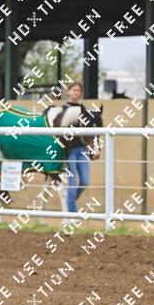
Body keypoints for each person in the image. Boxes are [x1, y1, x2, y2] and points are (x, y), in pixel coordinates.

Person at [59, 81, 90, 213]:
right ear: (69, 92)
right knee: (73, 180)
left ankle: (69, 202)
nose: (76, 92)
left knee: (85, 181)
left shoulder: (83, 109)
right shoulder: (63, 109)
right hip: (70, 150)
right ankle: (72, 212)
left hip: (82, 149)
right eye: (74, 90)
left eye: (79, 90)